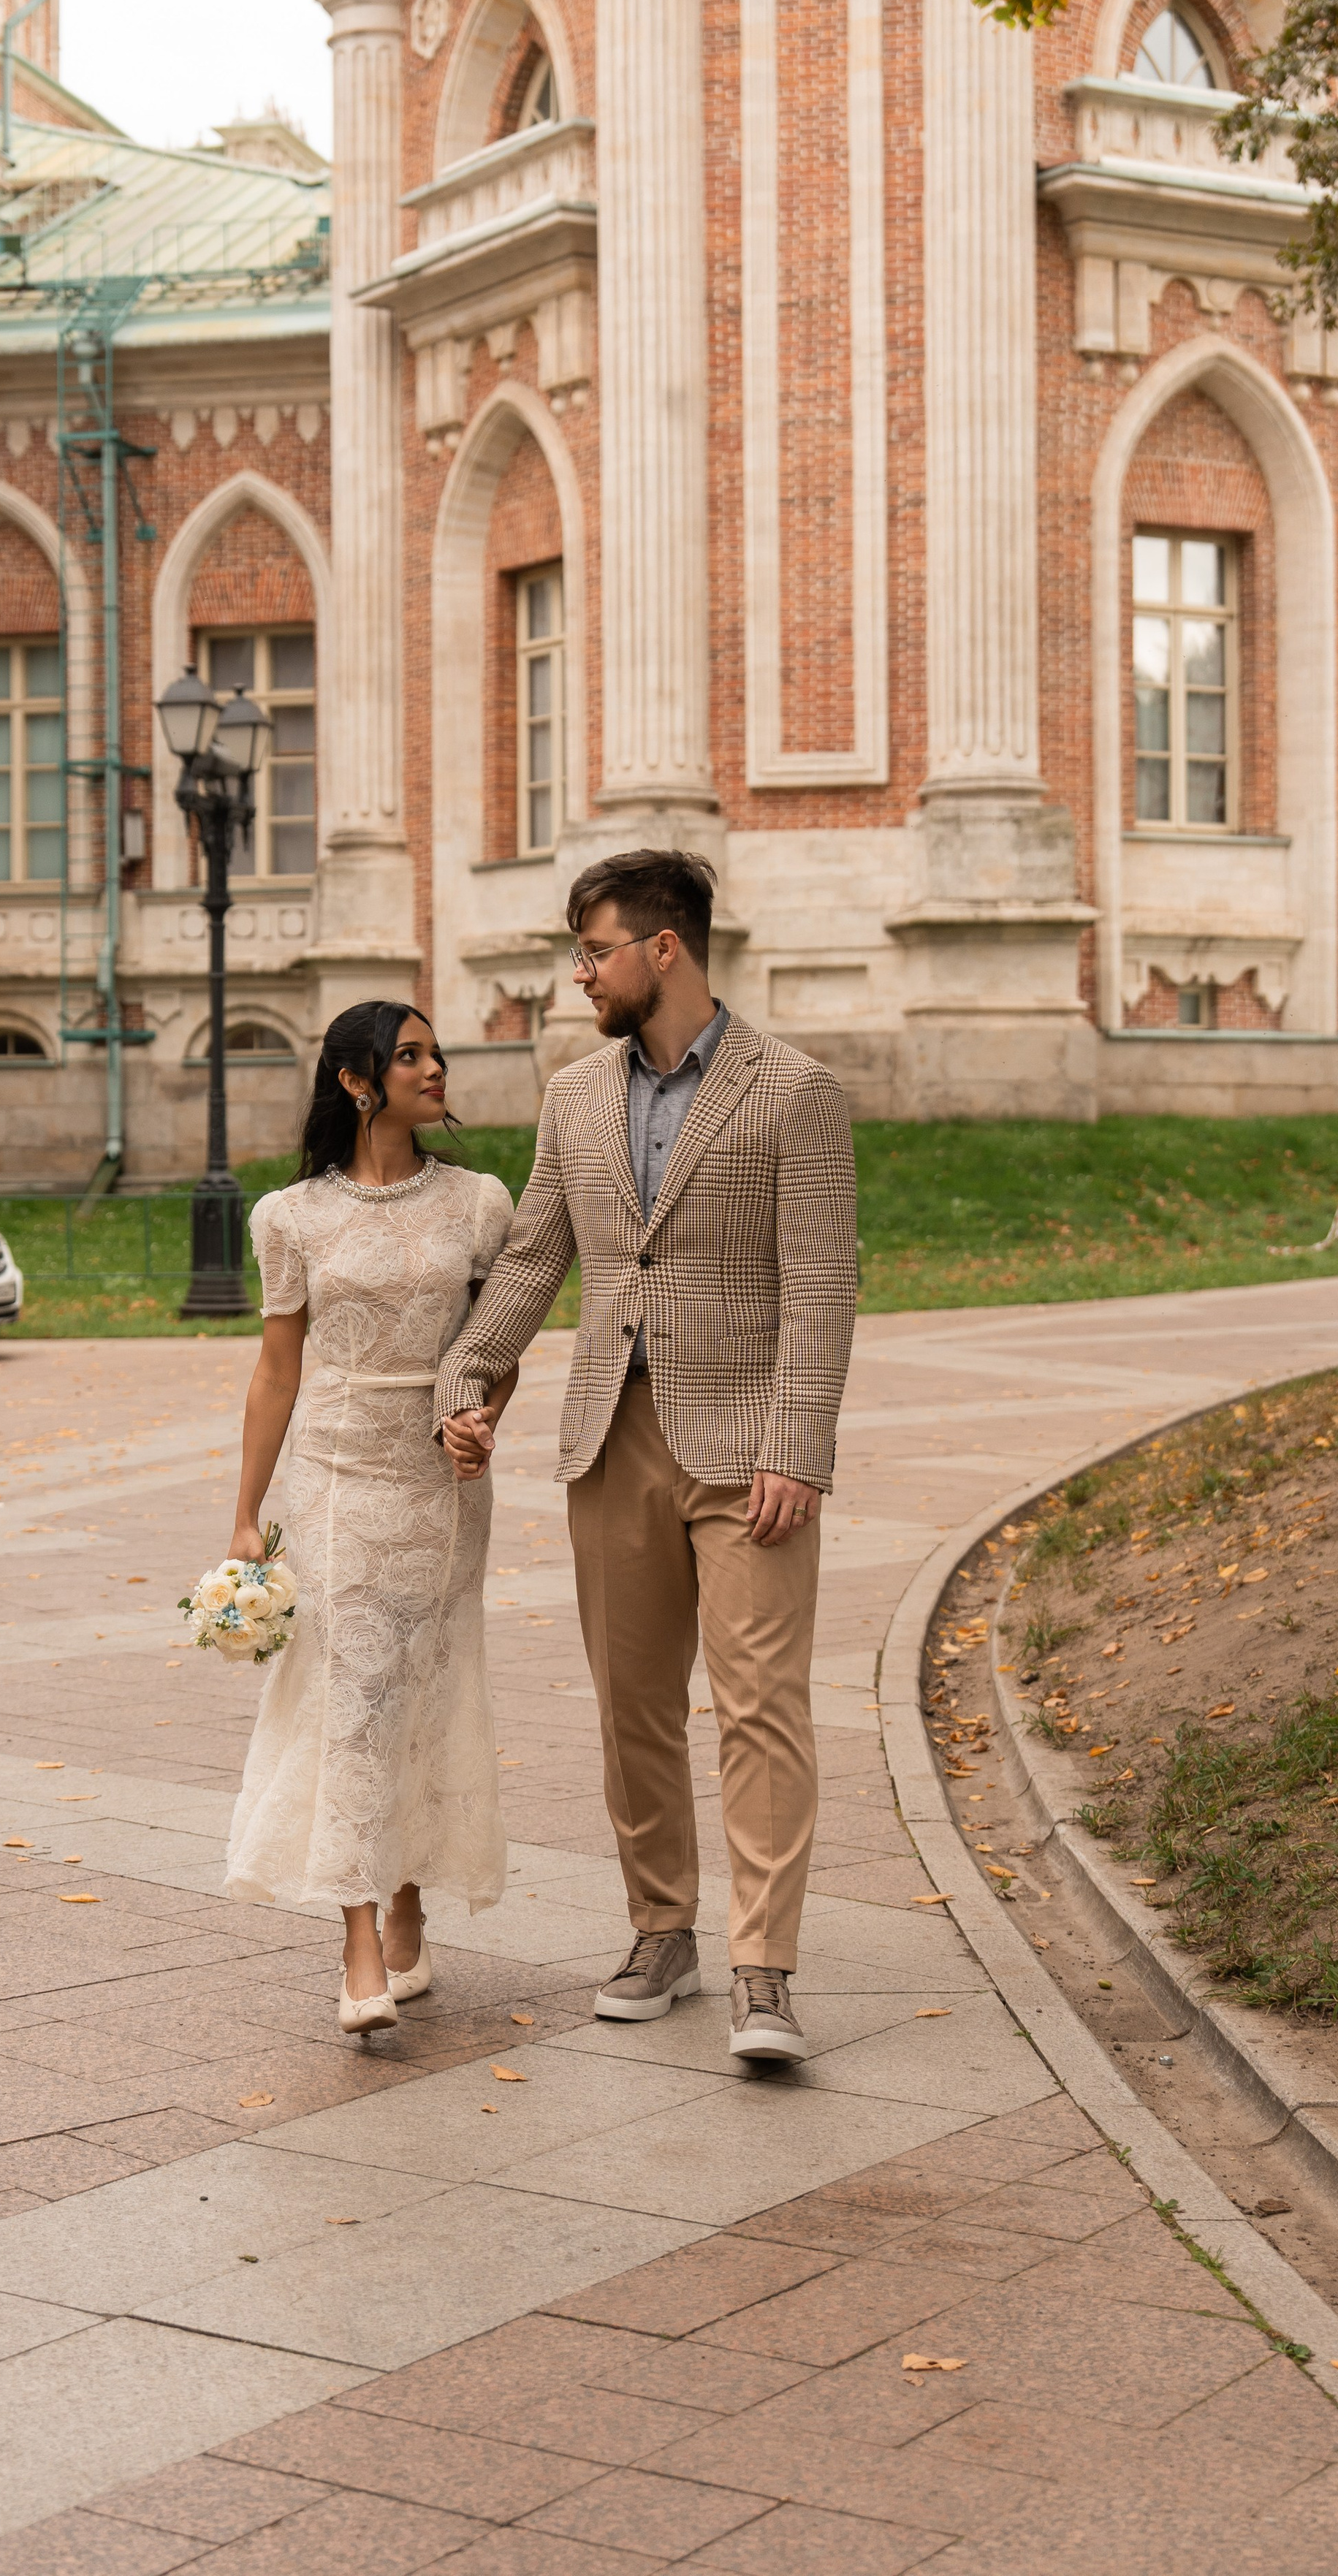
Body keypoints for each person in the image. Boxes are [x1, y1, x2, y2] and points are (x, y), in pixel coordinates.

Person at [436, 851, 856, 2063]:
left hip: (747, 1455)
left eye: (594, 951)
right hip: (610, 1444)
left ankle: (763, 1968)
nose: (579, 975)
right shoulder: (575, 1097)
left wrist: (799, 1445)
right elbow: (531, 1259)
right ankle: (661, 1929)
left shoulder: (795, 1091)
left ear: (662, 949)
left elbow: (822, 1284)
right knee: (633, 1711)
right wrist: (469, 1377)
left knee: (761, 1708)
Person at [224, 1001, 517, 2035]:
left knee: (425, 1689)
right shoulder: (289, 1217)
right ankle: (357, 1945)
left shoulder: (480, 1203)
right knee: (352, 1695)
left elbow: (496, 1344)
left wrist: (479, 1415)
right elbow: (275, 1369)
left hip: (440, 1486)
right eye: (410, 1056)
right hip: (336, 1478)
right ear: (357, 1081)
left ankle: (410, 1907)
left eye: (435, 1053)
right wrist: (247, 1514)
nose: (434, 1068)